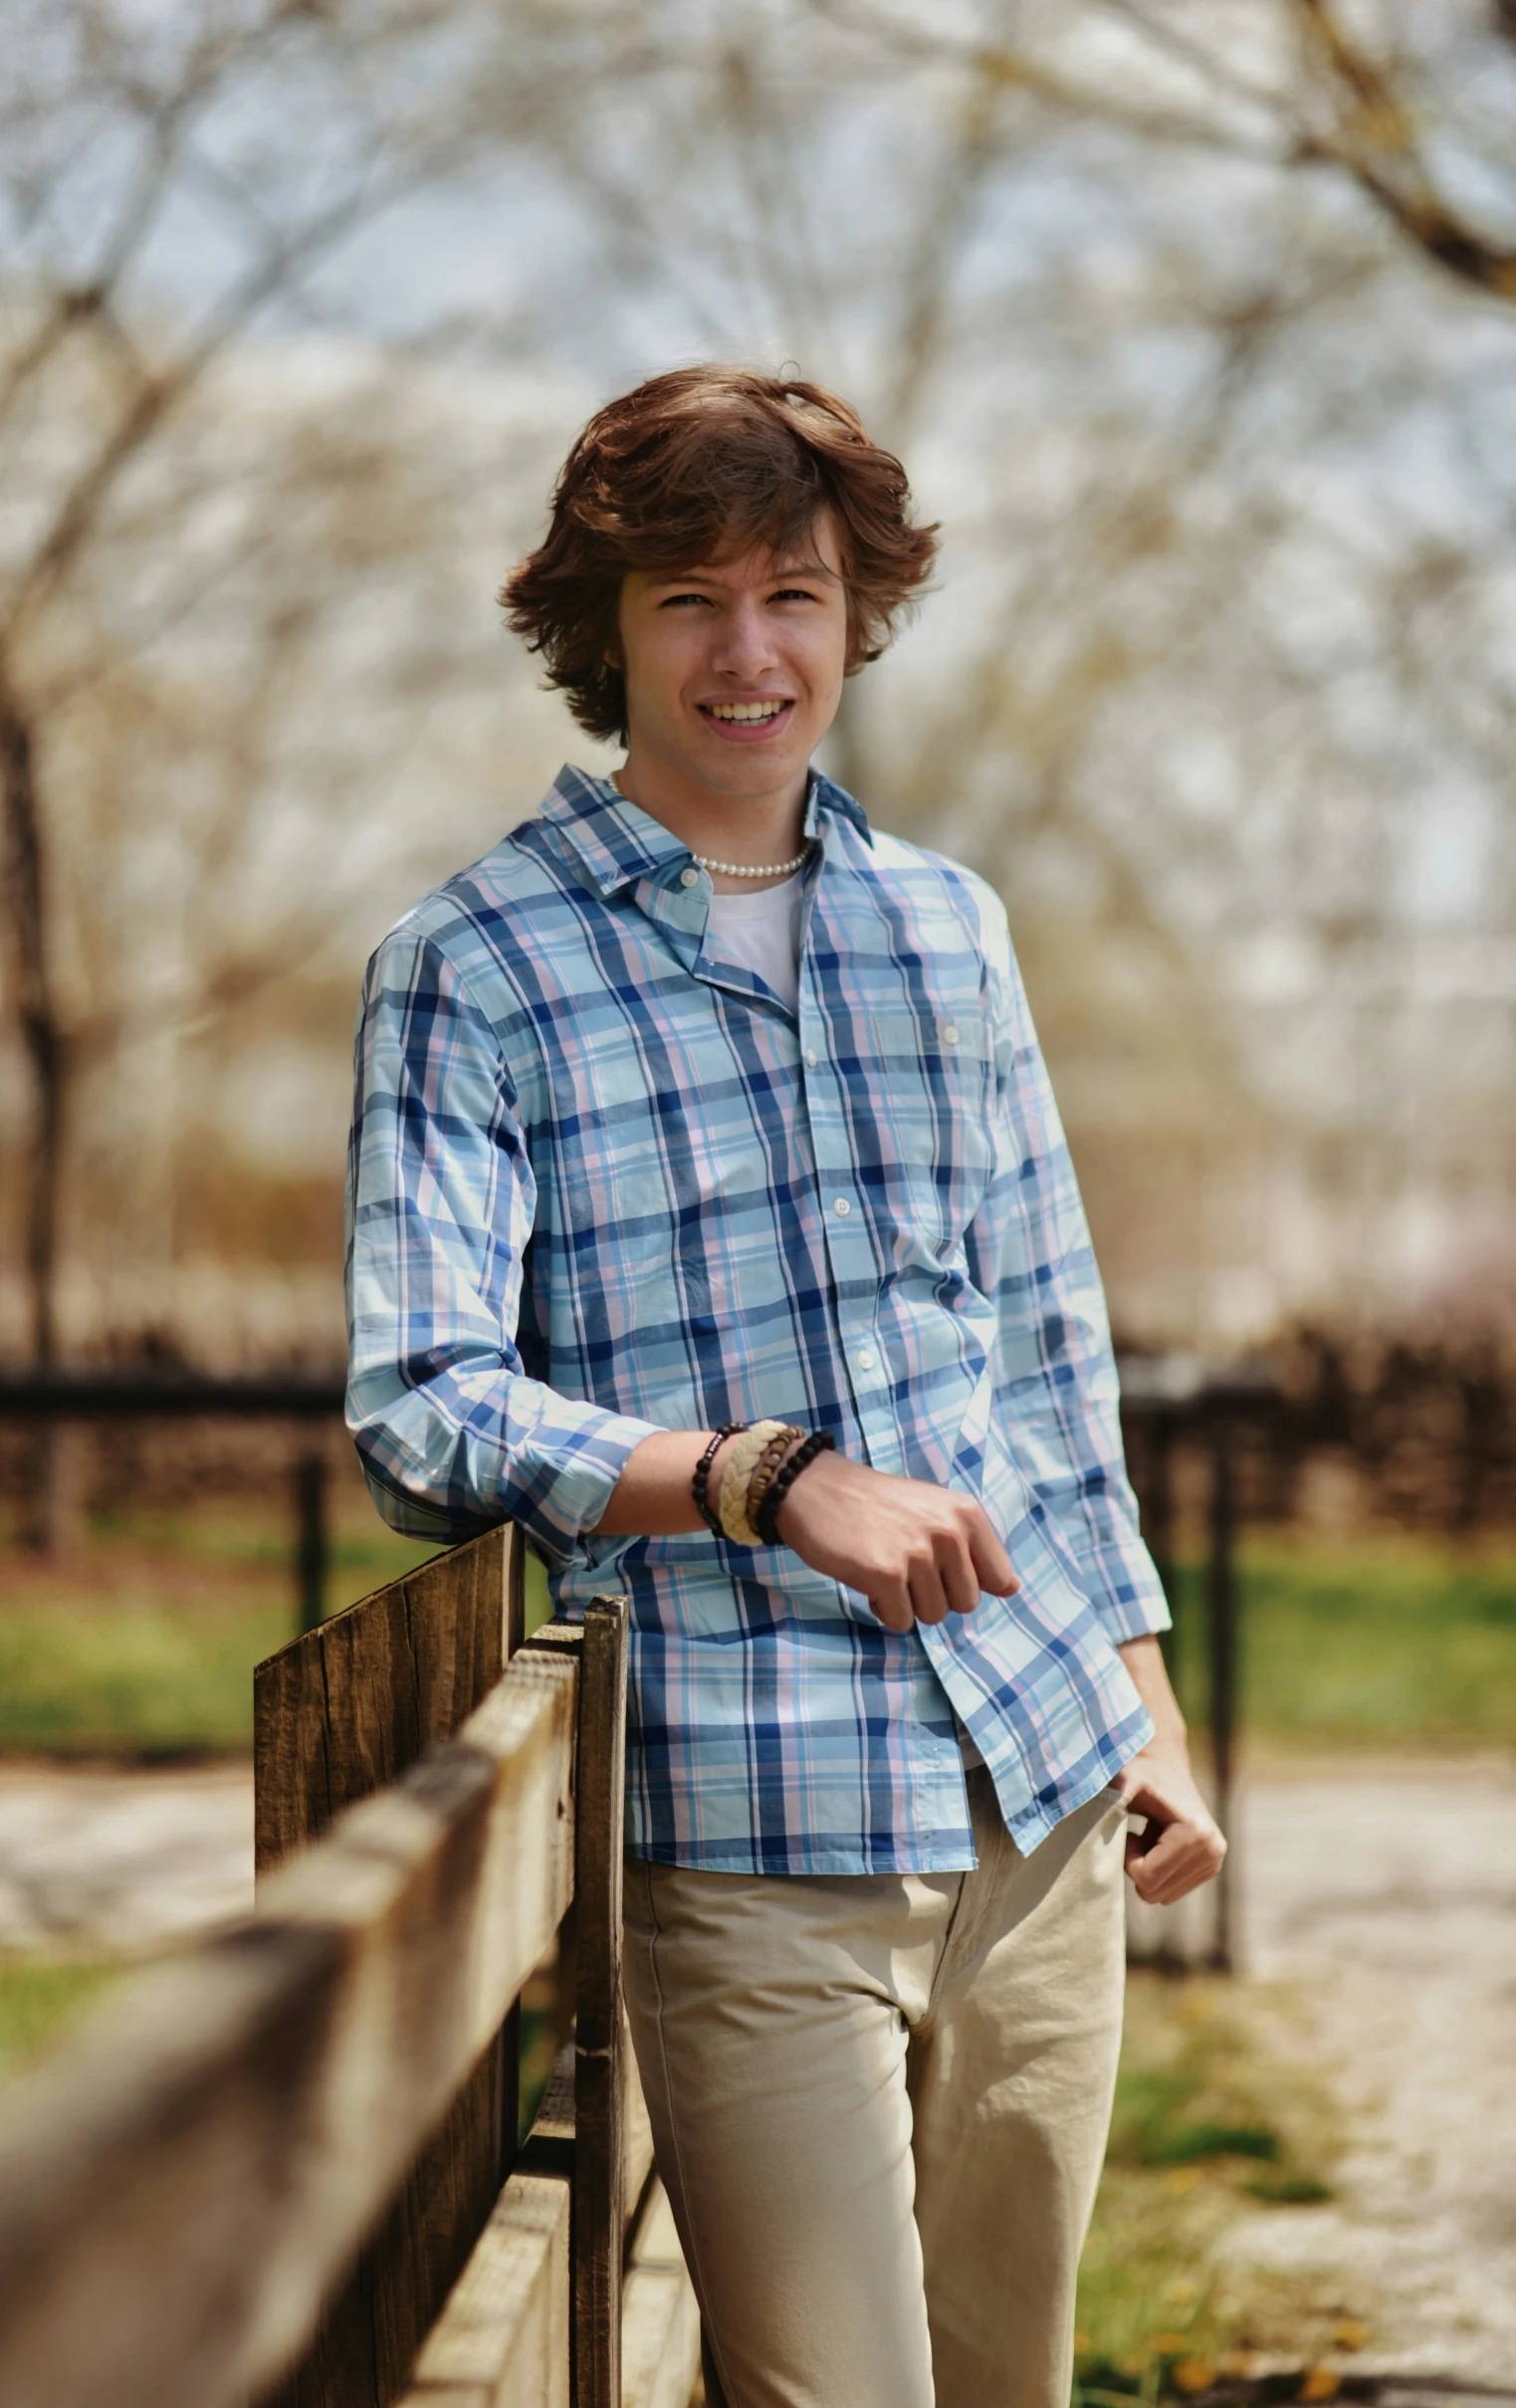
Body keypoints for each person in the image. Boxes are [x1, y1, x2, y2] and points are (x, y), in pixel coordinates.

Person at [345, 364, 1225, 2408]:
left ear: (855, 618)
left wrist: (1147, 1705)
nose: (750, 653)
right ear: (603, 629)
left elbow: (1040, 1351)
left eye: (796, 597)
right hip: (749, 1827)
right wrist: (758, 1479)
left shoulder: (947, 931)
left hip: (1031, 1787)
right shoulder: (475, 964)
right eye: (688, 601)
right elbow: (421, 1399)